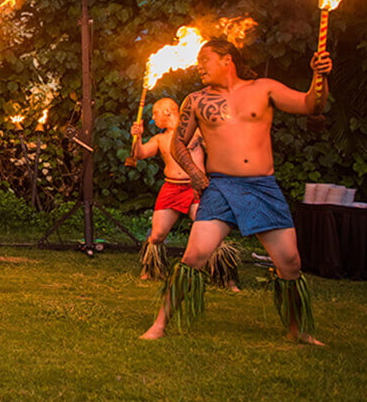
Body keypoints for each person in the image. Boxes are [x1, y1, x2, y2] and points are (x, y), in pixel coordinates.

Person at [141, 39, 331, 345]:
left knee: (290, 262)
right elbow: (178, 142)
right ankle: (160, 324)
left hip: (262, 188)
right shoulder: (196, 100)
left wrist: (319, 76)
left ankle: (299, 329)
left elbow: (312, 105)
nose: (199, 66)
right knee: (194, 257)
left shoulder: (263, 89)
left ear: (227, 60)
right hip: (220, 187)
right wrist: (194, 173)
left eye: (206, 59)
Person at [129, 98, 240, 289]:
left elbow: (219, 149)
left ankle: (226, 278)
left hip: (195, 188)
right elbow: (139, 154)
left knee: (212, 234)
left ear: (167, 112)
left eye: (155, 114)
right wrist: (137, 138)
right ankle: (150, 270)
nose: (153, 119)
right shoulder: (160, 138)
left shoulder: (196, 133)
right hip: (171, 188)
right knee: (156, 236)